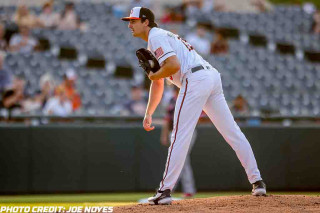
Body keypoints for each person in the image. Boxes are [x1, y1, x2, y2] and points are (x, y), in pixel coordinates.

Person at [121, 7, 266, 205]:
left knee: (179, 135)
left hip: (195, 78)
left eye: (133, 21)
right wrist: (149, 112)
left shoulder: (155, 36)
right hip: (210, 77)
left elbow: (173, 66)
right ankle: (257, 181)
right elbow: (159, 82)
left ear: (146, 22)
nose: (129, 25)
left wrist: (154, 74)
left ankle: (164, 191)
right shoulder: (160, 37)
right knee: (233, 132)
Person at [160, 86, 196, 198]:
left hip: (187, 132)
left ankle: (168, 188)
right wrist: (164, 134)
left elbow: (200, 116)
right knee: (181, 160)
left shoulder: (189, 98)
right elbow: (167, 119)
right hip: (174, 132)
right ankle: (170, 188)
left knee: (182, 160)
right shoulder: (172, 100)